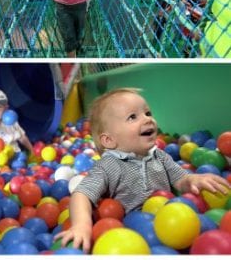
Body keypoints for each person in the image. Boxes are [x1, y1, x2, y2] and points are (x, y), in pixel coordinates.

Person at [55, 88, 230, 253]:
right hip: (132, 233)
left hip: (172, 221)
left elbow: (181, 180)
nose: (147, 119)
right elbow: (82, 194)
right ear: (109, 140)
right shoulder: (108, 165)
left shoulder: (160, 156)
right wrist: (81, 225)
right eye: (132, 117)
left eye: (147, 113)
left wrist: (193, 180)